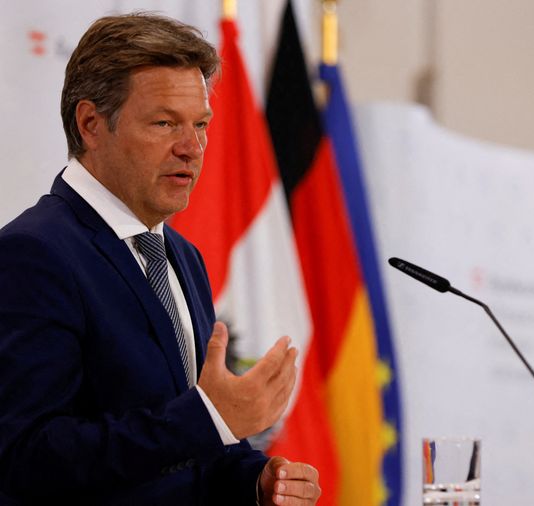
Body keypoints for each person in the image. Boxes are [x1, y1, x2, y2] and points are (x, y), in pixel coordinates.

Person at [0, 13, 321, 505]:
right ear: (90, 124)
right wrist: (210, 418)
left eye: (201, 125)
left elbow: (188, 454)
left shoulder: (183, 258)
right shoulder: (34, 254)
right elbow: (25, 457)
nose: (191, 148)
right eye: (165, 122)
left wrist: (254, 481)